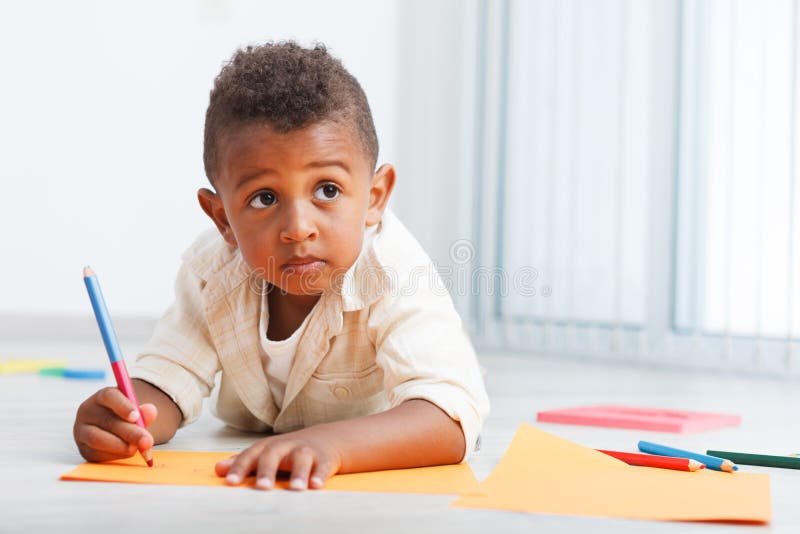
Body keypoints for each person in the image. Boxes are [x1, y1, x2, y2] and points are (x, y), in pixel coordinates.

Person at [73, 41, 490, 491]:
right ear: (222, 219)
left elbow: (450, 417)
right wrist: (127, 420)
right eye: (264, 198)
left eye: (327, 190)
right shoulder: (211, 270)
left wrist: (331, 446)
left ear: (375, 198)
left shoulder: (395, 272)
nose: (298, 228)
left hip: (369, 449)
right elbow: (171, 378)